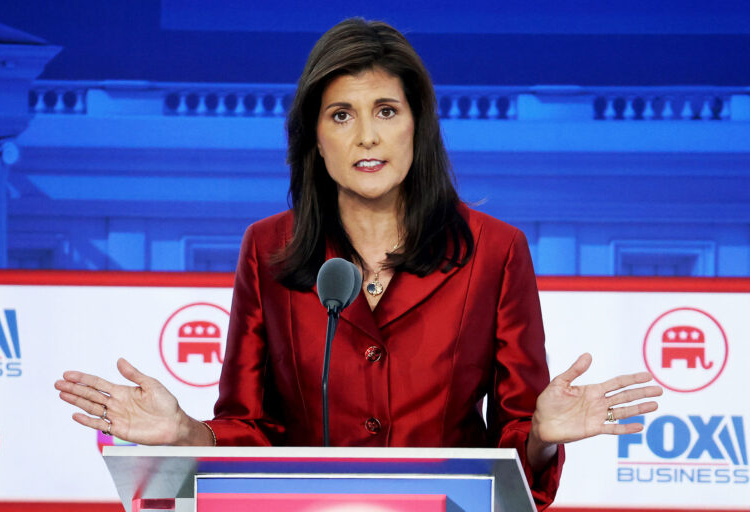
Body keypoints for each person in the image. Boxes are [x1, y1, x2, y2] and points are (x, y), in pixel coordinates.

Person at [54, 18, 663, 510]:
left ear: (417, 126)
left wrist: (540, 436)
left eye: (387, 111)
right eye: (341, 115)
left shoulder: (495, 251)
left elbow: (515, 447)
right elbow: (248, 426)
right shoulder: (267, 249)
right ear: (316, 139)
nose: (366, 136)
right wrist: (186, 433)